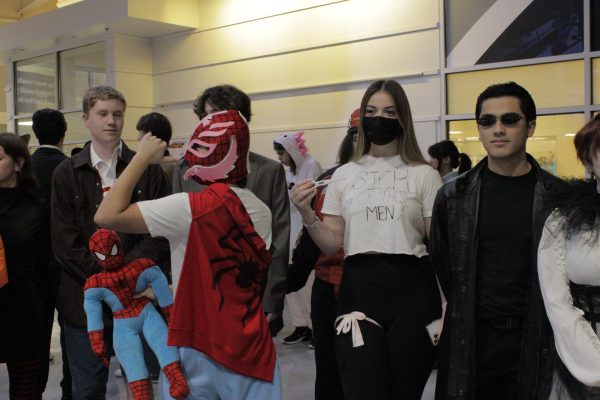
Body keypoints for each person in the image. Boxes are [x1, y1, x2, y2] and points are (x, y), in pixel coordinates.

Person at [94, 109, 281, 399]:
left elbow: (107, 214)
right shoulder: (261, 210)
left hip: (198, 342)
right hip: (249, 342)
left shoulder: (187, 209)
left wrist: (142, 158)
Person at [291, 79, 444, 399]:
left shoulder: (424, 174)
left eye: (389, 111)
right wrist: (306, 213)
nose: (379, 119)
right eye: (372, 111)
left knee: (405, 391)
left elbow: (437, 244)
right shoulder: (344, 175)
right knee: (361, 389)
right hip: (358, 289)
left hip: (413, 290)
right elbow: (332, 242)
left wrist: (450, 305)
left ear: (403, 117)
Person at [430, 81, 561, 399]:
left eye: (510, 120)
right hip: (471, 339)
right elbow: (445, 267)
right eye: (487, 121)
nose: (497, 129)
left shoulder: (558, 197)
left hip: (538, 339)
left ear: (530, 127)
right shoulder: (453, 196)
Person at [51, 86, 170, 399]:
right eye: (103, 113)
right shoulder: (66, 173)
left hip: (138, 299)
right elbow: (66, 243)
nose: (111, 121)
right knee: (88, 389)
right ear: (86, 119)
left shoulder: (149, 171)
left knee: (145, 385)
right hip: (83, 302)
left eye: (117, 114)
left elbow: (156, 233)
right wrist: (108, 281)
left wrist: (127, 281)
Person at [174, 84, 290, 337]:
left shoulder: (269, 171)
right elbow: (177, 233)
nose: (217, 123)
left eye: (226, 115)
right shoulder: (185, 170)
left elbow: (280, 238)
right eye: (209, 116)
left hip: (251, 293)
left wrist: (273, 297)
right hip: (198, 292)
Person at [291, 108, 359, 400]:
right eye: (357, 135)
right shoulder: (329, 180)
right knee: (330, 372)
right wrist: (280, 284)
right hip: (329, 288)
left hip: (372, 291)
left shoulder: (400, 181)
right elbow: (309, 243)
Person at [538, 116, 600, 398]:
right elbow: (555, 299)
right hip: (580, 359)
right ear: (589, 159)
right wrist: (592, 366)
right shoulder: (564, 218)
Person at [0, 132, 49, 399]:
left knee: (25, 392)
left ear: (18, 164)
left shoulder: (37, 208)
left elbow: (43, 266)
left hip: (24, 314)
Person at [30, 108, 72, 400]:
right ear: (64, 132)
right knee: (73, 330)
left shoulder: (25, 169)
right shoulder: (70, 168)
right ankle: (70, 387)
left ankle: (35, 389)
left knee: (37, 333)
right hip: (67, 264)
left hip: (33, 265)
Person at [274, 130, 323, 345]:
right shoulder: (288, 171)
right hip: (289, 230)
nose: (280, 158)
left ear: (291, 151)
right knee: (291, 282)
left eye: (281, 154)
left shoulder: (312, 165)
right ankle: (300, 324)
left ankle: (315, 327)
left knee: (308, 282)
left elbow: (314, 193)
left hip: (307, 229)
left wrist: (293, 190)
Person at [136, 112, 178, 187]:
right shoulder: (175, 166)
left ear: (152, 136)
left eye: (141, 133)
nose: (138, 138)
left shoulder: (155, 169)